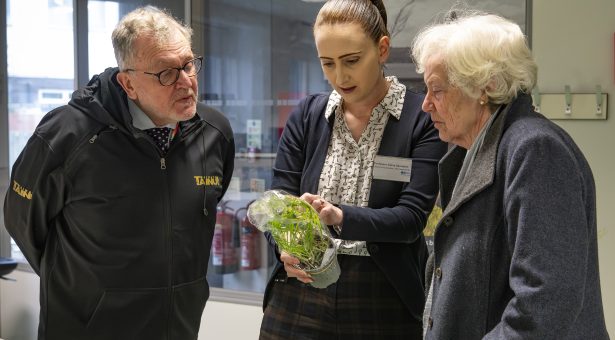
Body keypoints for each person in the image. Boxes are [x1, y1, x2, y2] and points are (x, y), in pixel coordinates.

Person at [4, 6, 234, 340]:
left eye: (188, 64)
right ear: (127, 83)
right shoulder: (67, 134)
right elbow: (22, 221)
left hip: (178, 328)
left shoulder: (214, 133)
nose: (186, 82)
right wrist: (86, 290)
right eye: (166, 73)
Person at [412, 10, 610, 339]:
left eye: (438, 90)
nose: (426, 105)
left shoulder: (535, 149)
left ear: (484, 87)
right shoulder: (476, 150)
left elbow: (546, 300)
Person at [259, 0, 447, 338]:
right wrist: (285, 246)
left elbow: (410, 219)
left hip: (382, 291)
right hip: (302, 286)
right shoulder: (308, 115)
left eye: (352, 61)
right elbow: (279, 199)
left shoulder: (422, 118)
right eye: (327, 63)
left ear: (382, 48)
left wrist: (339, 217)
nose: (339, 76)